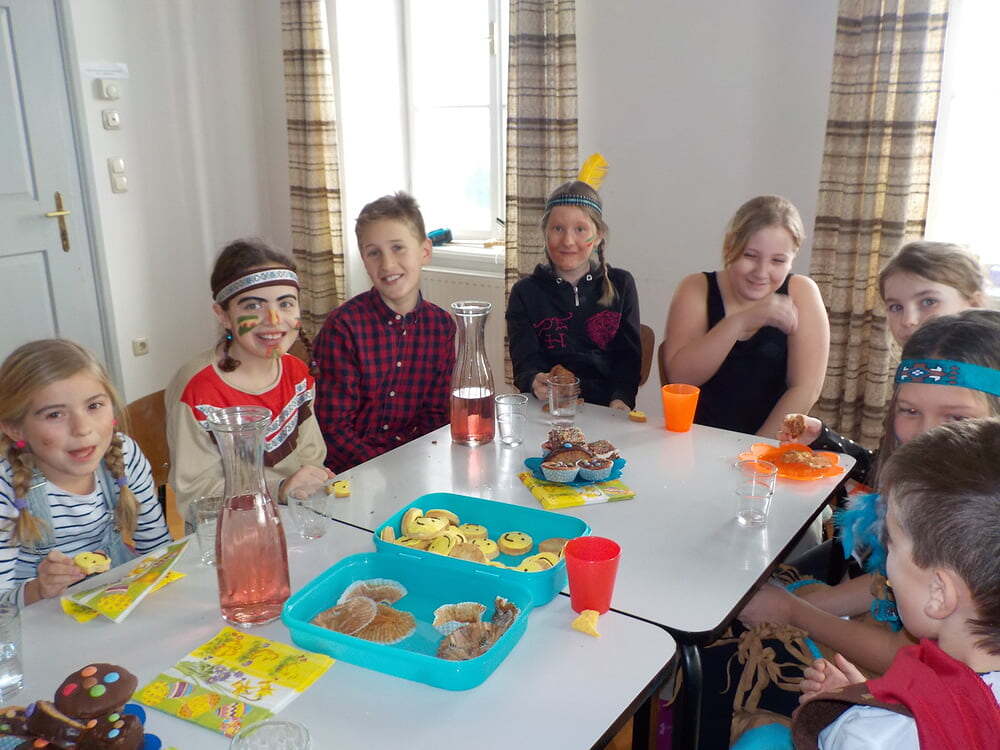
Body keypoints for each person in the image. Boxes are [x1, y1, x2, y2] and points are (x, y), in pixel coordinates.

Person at [722, 309, 1000, 748]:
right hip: (889, 656)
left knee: (733, 663)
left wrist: (796, 613)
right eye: (909, 411)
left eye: (956, 419)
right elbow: (891, 581)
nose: (925, 433)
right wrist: (810, 602)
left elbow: (912, 652)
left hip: (900, 678)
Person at [792, 417, 1000, 748]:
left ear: (938, 593)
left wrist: (843, 723)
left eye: (892, 544)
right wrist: (868, 701)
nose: (885, 559)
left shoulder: (869, 738)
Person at [166, 239, 331, 519]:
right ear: (223, 315)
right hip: (228, 526)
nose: (273, 319)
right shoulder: (198, 390)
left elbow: (311, 455)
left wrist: (308, 482)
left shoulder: (296, 373)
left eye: (286, 303)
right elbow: (197, 496)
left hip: (295, 512)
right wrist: (279, 489)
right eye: (253, 305)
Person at [0, 339, 170, 606]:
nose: (82, 428)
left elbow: (157, 549)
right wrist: (39, 590)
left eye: (94, 406)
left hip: (109, 599)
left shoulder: (124, 454)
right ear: (15, 428)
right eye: (54, 415)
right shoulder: (6, 487)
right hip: (37, 616)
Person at [780, 240, 987, 450]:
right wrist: (825, 440)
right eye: (896, 307)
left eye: (928, 302)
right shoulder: (912, 373)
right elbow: (891, 465)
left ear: (974, 304)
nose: (908, 320)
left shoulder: (986, 379)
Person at [663, 195, 830, 436]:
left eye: (778, 260)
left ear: (792, 260)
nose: (761, 272)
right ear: (729, 247)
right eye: (750, 256)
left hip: (771, 441)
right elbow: (681, 378)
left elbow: (805, 389)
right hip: (696, 439)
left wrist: (756, 449)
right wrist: (740, 322)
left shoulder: (802, 292)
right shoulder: (696, 287)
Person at [312, 192, 455, 473]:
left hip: (414, 463)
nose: (387, 264)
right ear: (364, 260)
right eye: (374, 252)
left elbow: (436, 415)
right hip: (350, 471)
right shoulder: (343, 327)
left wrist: (414, 465)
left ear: (425, 251)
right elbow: (333, 429)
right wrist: (385, 470)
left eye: (398, 248)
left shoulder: (441, 326)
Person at [506, 179, 641, 410]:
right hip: (547, 407)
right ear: (545, 234)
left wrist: (621, 399)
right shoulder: (525, 293)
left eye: (580, 229)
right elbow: (525, 363)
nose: (568, 241)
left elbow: (628, 361)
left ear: (598, 236)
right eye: (558, 229)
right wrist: (534, 381)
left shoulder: (622, 284)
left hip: (606, 409)